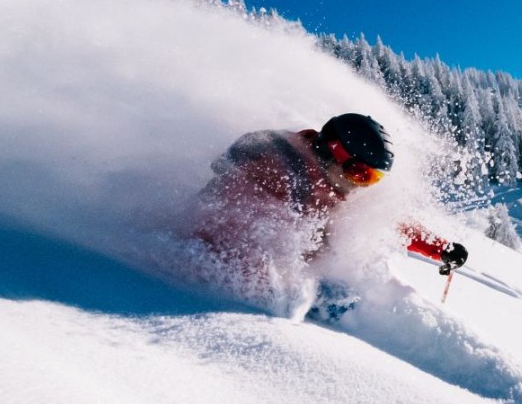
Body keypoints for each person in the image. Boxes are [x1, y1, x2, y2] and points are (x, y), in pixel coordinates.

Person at [193, 112, 468, 279]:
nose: (362, 185)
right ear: (334, 151)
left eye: (373, 179)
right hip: (209, 270)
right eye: (361, 173)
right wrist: (302, 284)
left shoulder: (330, 185)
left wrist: (440, 248)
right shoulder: (276, 167)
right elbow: (224, 232)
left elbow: (386, 220)